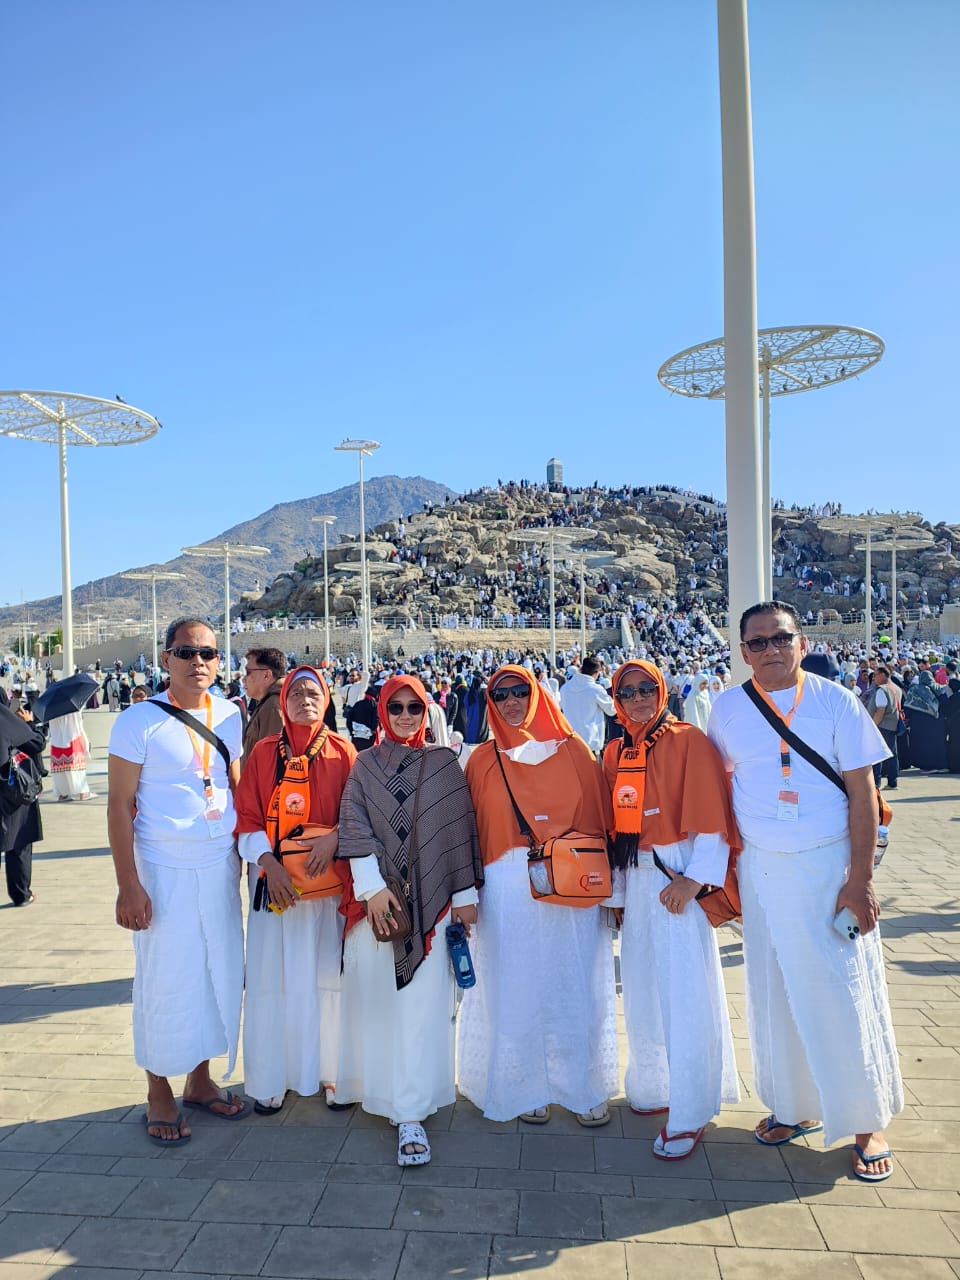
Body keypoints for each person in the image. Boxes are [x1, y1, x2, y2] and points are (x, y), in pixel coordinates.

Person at [708, 602, 903, 1183]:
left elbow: (863, 794)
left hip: (828, 869)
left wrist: (860, 880)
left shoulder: (835, 701)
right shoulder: (727, 709)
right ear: (743, 652)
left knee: (842, 993)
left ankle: (866, 1122)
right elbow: (719, 789)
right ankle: (794, 1108)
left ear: (802, 642)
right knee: (775, 993)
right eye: (758, 642)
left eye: (781, 638)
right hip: (763, 871)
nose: (771, 650)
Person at [107, 618, 249, 1147]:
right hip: (161, 868)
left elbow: (235, 789)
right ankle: (157, 1089)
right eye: (186, 652)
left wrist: (247, 858)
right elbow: (118, 805)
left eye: (207, 653)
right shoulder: (137, 720)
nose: (198, 662)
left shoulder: (230, 715)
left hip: (218, 866)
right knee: (165, 977)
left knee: (214, 972)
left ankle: (200, 1079)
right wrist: (128, 885)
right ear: (166, 658)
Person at [458, 665, 617, 1127]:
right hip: (505, 886)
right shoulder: (482, 760)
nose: (511, 702)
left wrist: (610, 895)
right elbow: (469, 830)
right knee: (516, 984)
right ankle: (524, 1084)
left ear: (537, 695)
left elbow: (600, 823)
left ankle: (580, 1085)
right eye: (501, 694)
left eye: (520, 692)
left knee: (572, 981)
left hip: (568, 882)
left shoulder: (575, 751)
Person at [336, 674, 483, 1166]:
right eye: (395, 707)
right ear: (382, 711)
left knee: (419, 1009)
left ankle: (411, 1111)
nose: (404, 716)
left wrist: (463, 895)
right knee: (382, 1006)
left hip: (431, 913)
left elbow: (458, 833)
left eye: (413, 707)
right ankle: (382, 1091)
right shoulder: (365, 765)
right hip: (381, 910)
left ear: (427, 711)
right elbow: (354, 825)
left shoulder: (444, 765)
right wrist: (373, 888)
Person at [602, 660, 740, 1160]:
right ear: (616, 700)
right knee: (643, 989)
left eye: (646, 689)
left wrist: (693, 879)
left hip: (676, 875)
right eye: (628, 691)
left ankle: (691, 1107)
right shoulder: (616, 751)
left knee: (685, 994)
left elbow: (712, 819)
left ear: (661, 691)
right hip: (639, 881)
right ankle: (654, 1085)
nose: (638, 698)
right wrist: (618, 898)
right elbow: (615, 831)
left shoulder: (688, 741)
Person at [234, 667, 357, 1115]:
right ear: (283, 701)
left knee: (329, 980)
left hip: (327, 890)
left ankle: (332, 1071)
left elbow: (360, 814)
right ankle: (275, 1076)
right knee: (273, 981)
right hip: (276, 889)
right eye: (297, 693)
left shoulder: (344, 752)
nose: (305, 699)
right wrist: (269, 866)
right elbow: (246, 818)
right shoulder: (264, 752)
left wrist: (334, 839)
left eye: (314, 693)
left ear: (326, 701)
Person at [0, 698, 46, 907]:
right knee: (18, 839)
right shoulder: (4, 717)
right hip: (10, 792)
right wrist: (28, 722)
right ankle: (21, 894)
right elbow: (36, 743)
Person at [559, 655, 616, 757]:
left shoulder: (565, 688)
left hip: (570, 740)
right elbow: (611, 710)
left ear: (581, 669)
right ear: (596, 673)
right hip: (591, 742)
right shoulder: (596, 689)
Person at [241, 647, 286, 764]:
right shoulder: (270, 702)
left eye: (248, 672)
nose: (244, 679)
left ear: (266, 675)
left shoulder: (273, 707)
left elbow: (271, 762)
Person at [902, 670, 947, 771]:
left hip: (919, 721)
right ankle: (939, 764)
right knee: (936, 743)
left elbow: (908, 706)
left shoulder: (914, 689)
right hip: (936, 721)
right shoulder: (939, 688)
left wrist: (908, 718)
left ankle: (925, 765)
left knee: (922, 743)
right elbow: (944, 703)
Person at [865, 666, 902, 789]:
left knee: (877, 754)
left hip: (881, 725)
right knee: (892, 754)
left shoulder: (882, 690)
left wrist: (873, 726)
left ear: (882, 675)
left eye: (875, 675)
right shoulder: (896, 688)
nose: (873, 678)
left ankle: (876, 783)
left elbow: (880, 710)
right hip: (892, 725)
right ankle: (893, 781)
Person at [48, 710, 93, 802]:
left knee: (60, 766)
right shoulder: (71, 704)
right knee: (75, 764)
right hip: (72, 735)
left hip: (56, 738)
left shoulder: (50, 705)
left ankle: (63, 793)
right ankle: (82, 792)